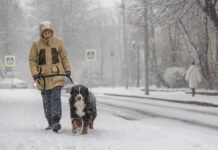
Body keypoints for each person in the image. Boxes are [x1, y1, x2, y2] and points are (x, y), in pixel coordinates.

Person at [29, 21, 71, 132]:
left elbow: (64, 57)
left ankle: (56, 121)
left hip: (57, 76)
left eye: (49, 31)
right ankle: (50, 122)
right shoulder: (36, 45)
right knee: (47, 101)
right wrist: (35, 73)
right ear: (41, 33)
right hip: (43, 78)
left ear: (52, 31)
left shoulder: (58, 42)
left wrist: (67, 70)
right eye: (45, 32)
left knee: (56, 99)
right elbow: (32, 60)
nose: (47, 34)